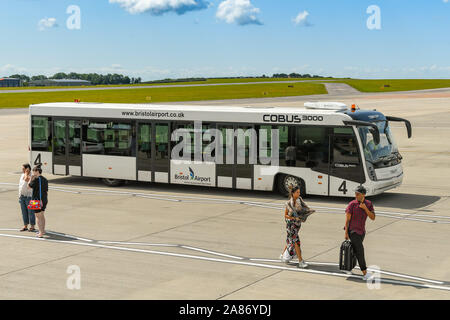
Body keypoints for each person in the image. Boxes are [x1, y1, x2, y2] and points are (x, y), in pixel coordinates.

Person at [344, 186, 376, 280]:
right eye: (355, 194)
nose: (356, 195)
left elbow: (373, 217)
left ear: (363, 194)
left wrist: (365, 208)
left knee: (355, 251)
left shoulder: (368, 204)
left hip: (362, 232)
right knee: (360, 251)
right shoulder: (352, 204)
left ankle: (348, 268)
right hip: (353, 232)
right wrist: (346, 233)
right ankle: (365, 273)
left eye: (358, 194)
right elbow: (347, 220)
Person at [280, 185, 315, 268]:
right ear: (293, 193)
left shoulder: (300, 200)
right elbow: (285, 215)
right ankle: (301, 261)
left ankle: (282, 255)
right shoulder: (288, 203)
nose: (299, 194)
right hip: (290, 225)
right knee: (296, 242)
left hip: (297, 225)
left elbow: (306, 207)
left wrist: (308, 212)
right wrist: (294, 217)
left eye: (299, 192)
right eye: (297, 192)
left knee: (290, 240)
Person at [28, 166, 49, 238]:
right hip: (44, 199)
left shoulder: (36, 180)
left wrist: (31, 179)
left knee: (37, 216)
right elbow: (46, 190)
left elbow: (29, 186)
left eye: (34, 171)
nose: (33, 172)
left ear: (37, 171)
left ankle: (40, 232)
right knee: (42, 215)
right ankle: (42, 230)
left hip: (36, 200)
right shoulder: (45, 179)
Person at [18, 163, 35, 232]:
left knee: (31, 212)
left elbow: (26, 180)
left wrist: (26, 173)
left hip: (29, 196)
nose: (22, 170)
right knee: (24, 212)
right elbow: (20, 185)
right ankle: (25, 225)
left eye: (23, 169)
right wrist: (19, 195)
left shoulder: (32, 176)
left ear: (27, 169)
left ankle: (32, 226)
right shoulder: (22, 175)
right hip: (22, 196)